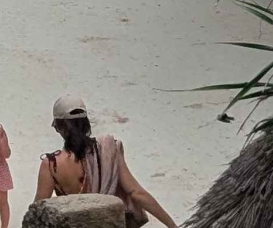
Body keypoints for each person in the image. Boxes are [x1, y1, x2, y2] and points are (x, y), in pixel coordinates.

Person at [34, 95, 175, 228]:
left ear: (58, 127)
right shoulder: (108, 151)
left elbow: (38, 212)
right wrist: (172, 226)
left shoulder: (51, 164)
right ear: (86, 124)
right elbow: (136, 193)